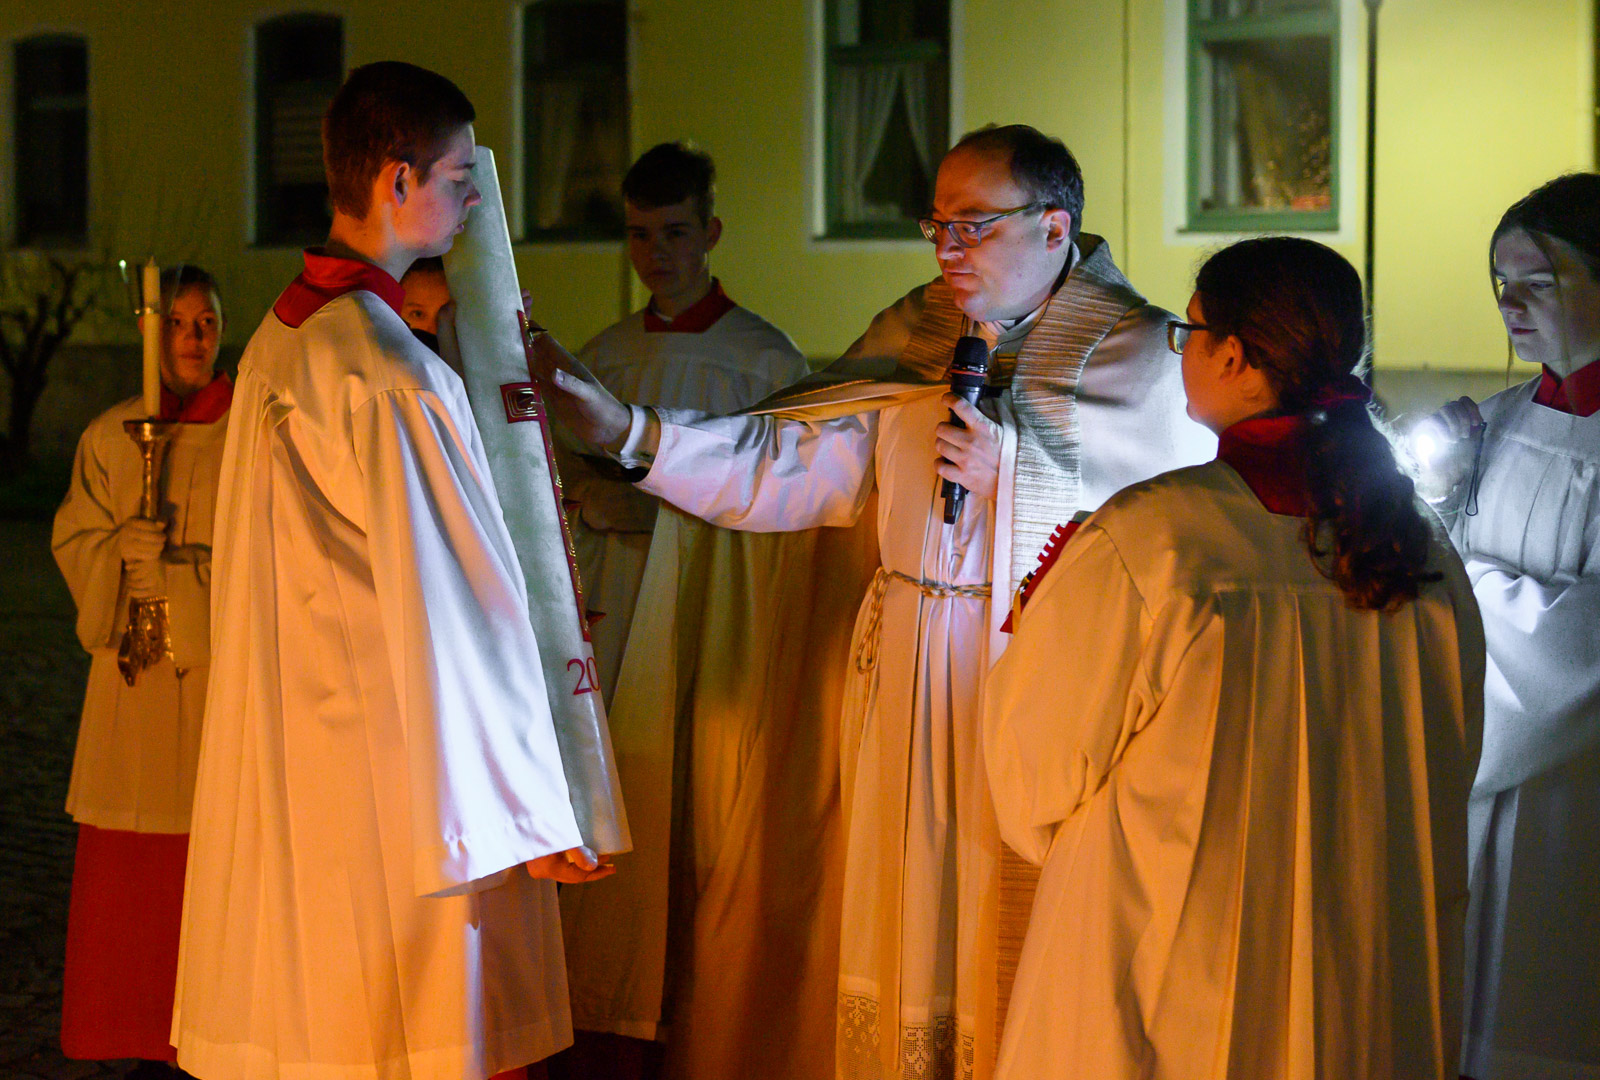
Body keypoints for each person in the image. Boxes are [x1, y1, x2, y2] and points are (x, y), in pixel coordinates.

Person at [533, 123, 1214, 1079]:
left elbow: (1174, 538)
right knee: (898, 927)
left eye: (973, 225)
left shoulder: (1141, 358)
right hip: (900, 675)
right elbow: (792, 462)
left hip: (1024, 686)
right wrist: (628, 430)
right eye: (937, 225)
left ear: (1056, 226)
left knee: (996, 933)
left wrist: (1014, 471)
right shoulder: (917, 331)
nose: (946, 250)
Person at [170, 61, 612, 1080]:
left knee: (324, 1011)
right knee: (397, 1026)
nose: (472, 199)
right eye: (460, 174)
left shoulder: (286, 337)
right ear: (396, 179)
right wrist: (541, 807)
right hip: (399, 767)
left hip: (304, 734)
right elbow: (461, 609)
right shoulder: (387, 371)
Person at [984, 236, 1484, 1079]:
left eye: (1189, 333)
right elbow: (1450, 759)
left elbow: (1030, 778)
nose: (1182, 355)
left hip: (1164, 964)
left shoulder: (1153, 539)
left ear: (1237, 354)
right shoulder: (1421, 547)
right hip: (1357, 966)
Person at [553, 143, 835, 1080]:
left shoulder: (764, 361)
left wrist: (660, 512)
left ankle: (700, 1019)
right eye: (640, 234)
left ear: (710, 233)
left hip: (714, 634)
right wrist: (588, 508)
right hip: (618, 618)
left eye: (676, 232)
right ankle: (606, 1005)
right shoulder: (604, 357)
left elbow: (787, 508)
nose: (657, 252)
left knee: (702, 815)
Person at [1420, 173, 1600, 1080]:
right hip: (1479, 795)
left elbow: (1582, 654)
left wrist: (1448, 576)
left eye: (1539, 281)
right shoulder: (1492, 424)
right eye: (1500, 284)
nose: (1510, 306)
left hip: (1576, 799)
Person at [53, 264, 231, 1076]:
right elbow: (74, 540)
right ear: (151, 334)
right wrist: (117, 562)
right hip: (130, 700)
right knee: (132, 894)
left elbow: (266, 563)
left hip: (208, 699)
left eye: (207, 323)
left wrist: (184, 580)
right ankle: (129, 1034)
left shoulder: (250, 437)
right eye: (180, 324)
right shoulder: (107, 436)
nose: (194, 339)